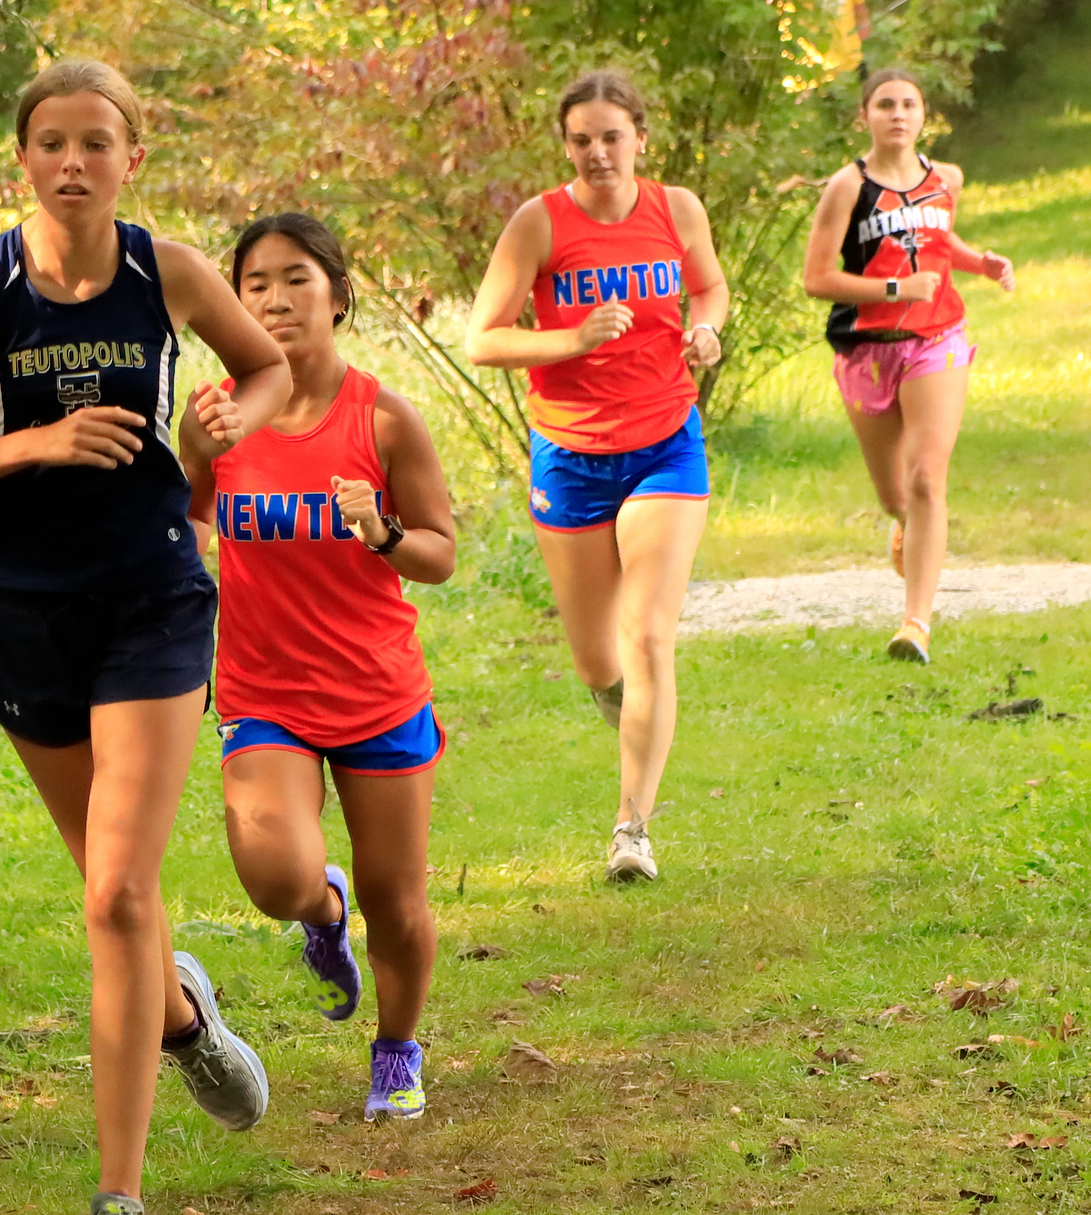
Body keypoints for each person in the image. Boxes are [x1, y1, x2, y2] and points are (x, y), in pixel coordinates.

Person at [0, 59, 292, 1215]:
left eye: (96, 142)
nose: (73, 162)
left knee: (116, 893)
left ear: (130, 159)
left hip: (153, 598)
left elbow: (266, 367)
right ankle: (184, 1017)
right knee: (115, 893)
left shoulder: (168, 270)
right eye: (52, 142)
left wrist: (231, 417)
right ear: (23, 158)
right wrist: (34, 445)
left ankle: (119, 1194)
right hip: (28, 614)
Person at [182, 214, 457, 1121]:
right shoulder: (218, 418)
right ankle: (323, 915)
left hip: (377, 690)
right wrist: (187, 489)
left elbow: (439, 553)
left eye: (296, 278)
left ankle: (396, 1051)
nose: (274, 298)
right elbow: (191, 522)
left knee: (398, 901)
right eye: (254, 283)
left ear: (337, 297)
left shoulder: (383, 418)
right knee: (276, 878)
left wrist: (381, 530)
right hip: (265, 693)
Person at [465, 70, 730, 883]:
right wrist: (572, 340)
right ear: (567, 146)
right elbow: (484, 339)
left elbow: (709, 286)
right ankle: (633, 715)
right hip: (571, 454)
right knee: (596, 661)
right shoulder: (539, 223)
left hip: (665, 442)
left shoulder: (676, 209)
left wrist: (707, 329)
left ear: (640, 138)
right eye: (581, 140)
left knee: (647, 634)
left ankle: (631, 828)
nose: (598, 153)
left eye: (612, 137)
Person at [801, 67, 1015, 664]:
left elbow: (940, 243)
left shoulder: (947, 178)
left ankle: (915, 624)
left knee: (926, 478)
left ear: (924, 115)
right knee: (896, 494)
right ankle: (905, 525)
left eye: (909, 105)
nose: (898, 114)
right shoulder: (847, 187)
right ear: (864, 117)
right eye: (885, 105)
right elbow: (817, 278)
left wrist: (980, 263)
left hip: (936, 339)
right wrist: (895, 289)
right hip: (867, 347)